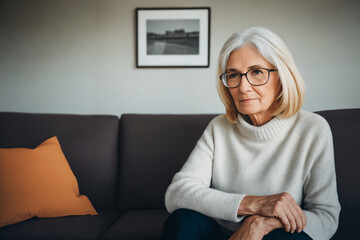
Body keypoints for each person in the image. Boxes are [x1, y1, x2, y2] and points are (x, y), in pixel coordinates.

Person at [161, 27, 341, 240]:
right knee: (183, 222)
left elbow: (326, 215)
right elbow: (177, 193)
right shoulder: (218, 128)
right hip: (219, 234)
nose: (243, 87)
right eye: (234, 75)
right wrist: (254, 204)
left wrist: (262, 223)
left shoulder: (314, 128)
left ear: (282, 76)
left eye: (256, 72)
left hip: (273, 235)